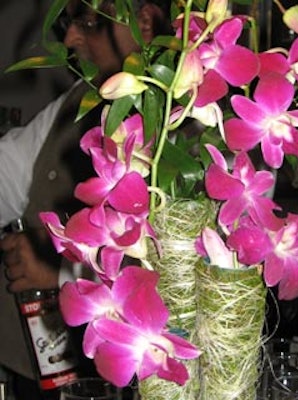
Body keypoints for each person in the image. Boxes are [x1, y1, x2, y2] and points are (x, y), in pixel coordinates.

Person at [0, 1, 171, 398]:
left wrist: (58, 276)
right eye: (70, 22)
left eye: (88, 23)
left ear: (143, 22)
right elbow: (6, 173)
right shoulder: (82, 100)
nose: (71, 38)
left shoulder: (199, 125)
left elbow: (199, 272)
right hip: (37, 369)